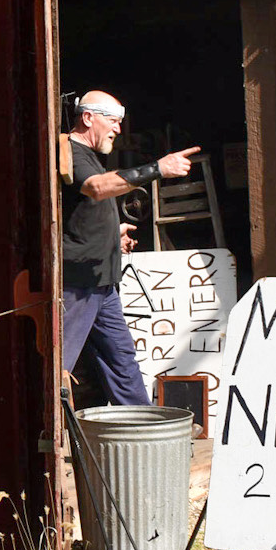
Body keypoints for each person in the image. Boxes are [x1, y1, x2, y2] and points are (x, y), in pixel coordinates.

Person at [61, 90, 199, 407]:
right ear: (87, 118)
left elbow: (80, 213)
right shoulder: (71, 151)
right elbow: (96, 188)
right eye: (113, 121)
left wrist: (113, 234)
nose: (118, 129)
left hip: (101, 281)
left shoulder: (90, 156)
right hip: (79, 283)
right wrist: (157, 169)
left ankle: (144, 434)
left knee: (122, 360)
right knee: (59, 367)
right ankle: (46, 443)